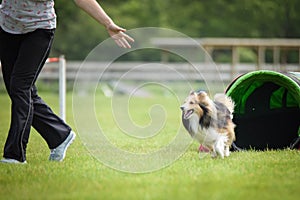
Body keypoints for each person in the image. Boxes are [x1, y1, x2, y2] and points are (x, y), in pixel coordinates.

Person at [0, 0, 134, 164]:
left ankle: (15, 155)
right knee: (19, 89)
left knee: (20, 88)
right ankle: (60, 135)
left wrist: (108, 23)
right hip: (7, 27)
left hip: (39, 29)